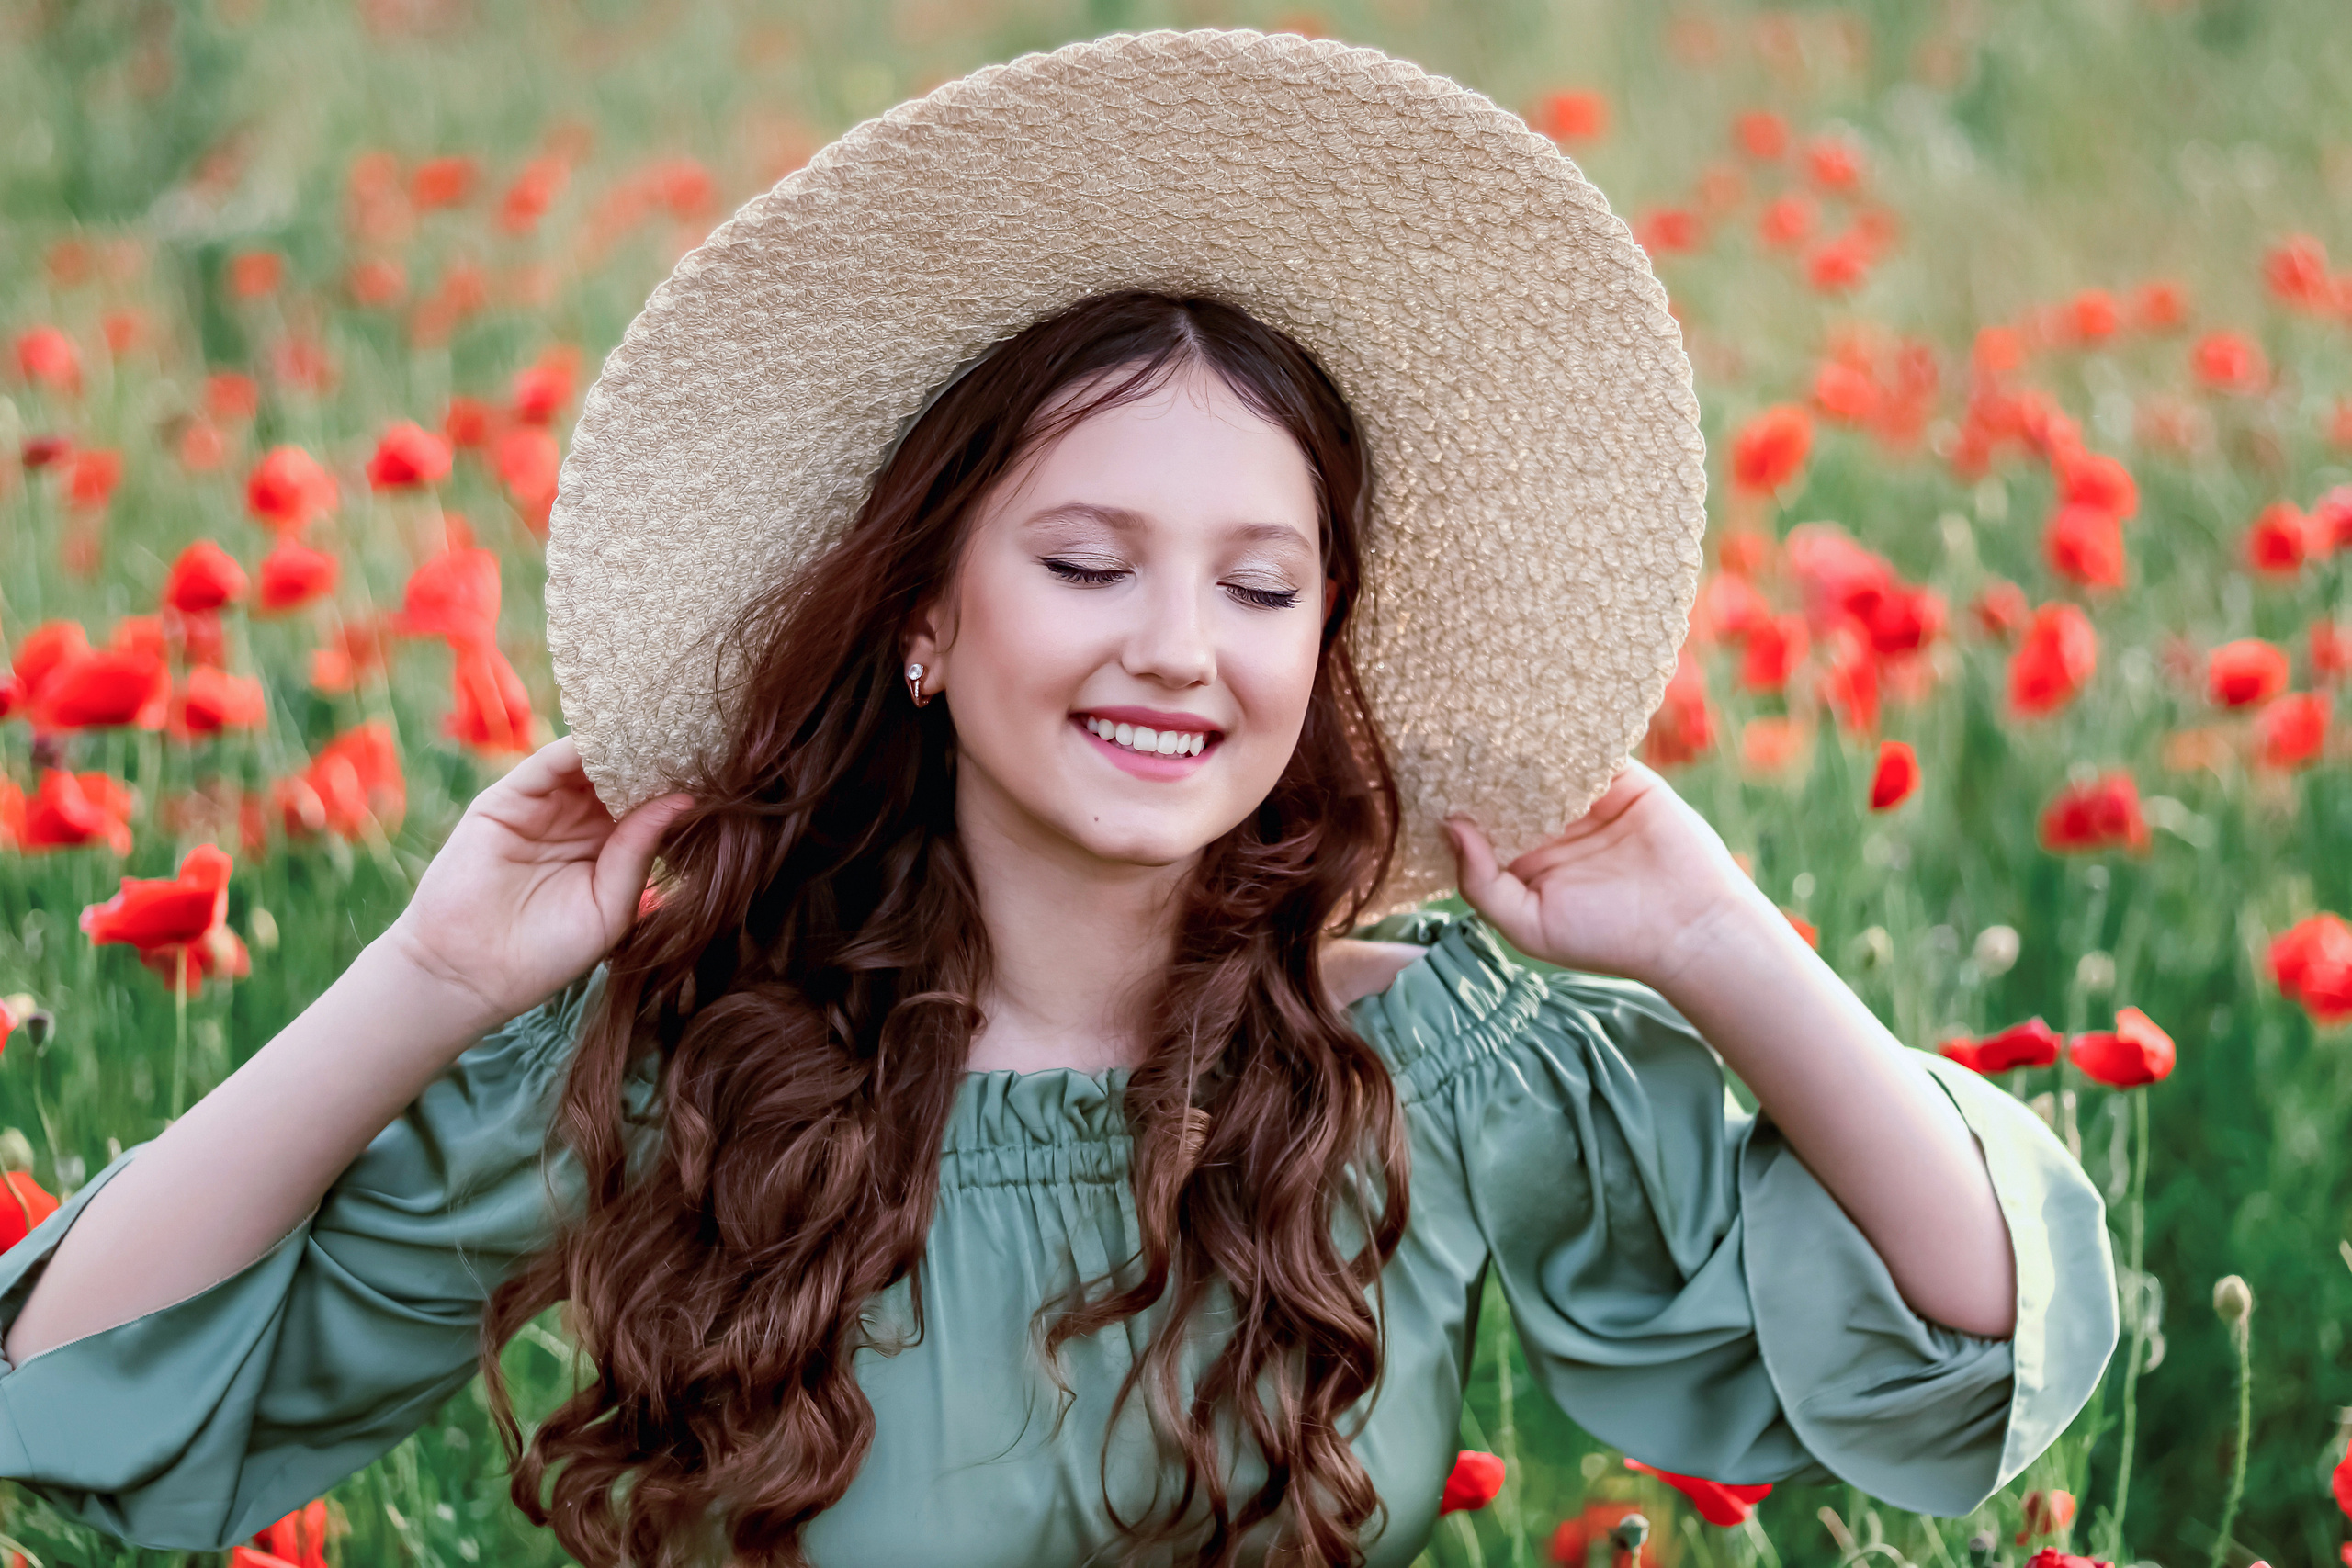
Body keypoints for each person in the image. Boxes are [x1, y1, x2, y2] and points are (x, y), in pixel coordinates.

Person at [0, 29, 2114, 1568]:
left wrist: (1717, 946)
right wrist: (431, 968)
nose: (1175, 645)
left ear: (1319, 650)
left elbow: (1972, 1341)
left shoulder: (1424, 1066)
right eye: (1085, 562)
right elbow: (67, 1399)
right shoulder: (697, 1057)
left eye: (1258, 583)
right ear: (924, 615)